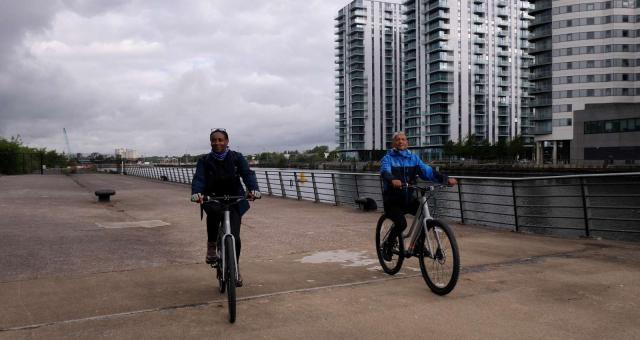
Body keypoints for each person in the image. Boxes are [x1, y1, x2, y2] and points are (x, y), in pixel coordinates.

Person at [191, 128, 260, 287]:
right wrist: (197, 193)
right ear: (211, 142)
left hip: (235, 198)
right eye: (214, 140)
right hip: (213, 197)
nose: (217, 143)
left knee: (235, 238)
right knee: (214, 213)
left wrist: (253, 189)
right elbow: (199, 179)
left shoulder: (237, 157)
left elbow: (248, 174)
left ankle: (235, 268)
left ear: (227, 141)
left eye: (220, 140)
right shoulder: (204, 160)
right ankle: (211, 246)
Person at [379, 131, 457, 260]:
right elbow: (385, 172)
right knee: (401, 223)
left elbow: (428, 172)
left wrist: (445, 179)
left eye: (403, 139)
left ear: (407, 142)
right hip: (392, 200)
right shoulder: (388, 158)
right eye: (398, 139)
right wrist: (392, 179)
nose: (401, 141)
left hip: (408, 199)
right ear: (393, 143)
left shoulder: (414, 158)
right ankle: (388, 244)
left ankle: (418, 244)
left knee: (425, 216)